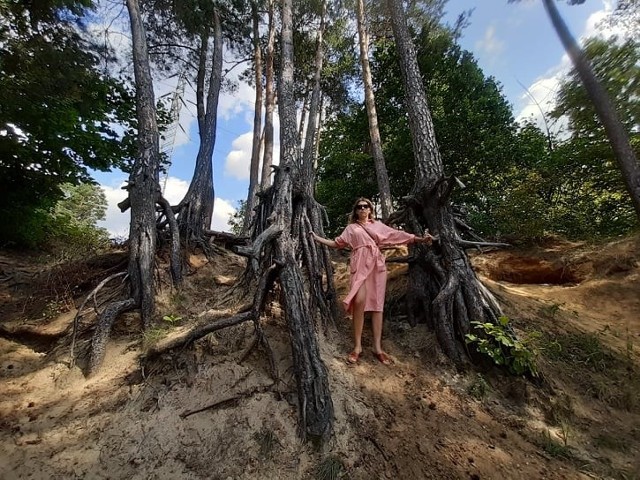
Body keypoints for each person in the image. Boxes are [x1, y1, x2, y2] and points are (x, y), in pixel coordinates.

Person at [310, 197, 433, 365]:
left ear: (370, 209)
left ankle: (377, 348)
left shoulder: (377, 225)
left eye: (365, 206)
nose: (362, 209)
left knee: (377, 306)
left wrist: (419, 239)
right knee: (359, 301)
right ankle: (357, 347)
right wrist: (317, 238)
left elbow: (396, 235)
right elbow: (336, 243)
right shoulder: (351, 228)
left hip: (376, 265)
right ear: (355, 211)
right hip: (360, 264)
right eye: (359, 207)